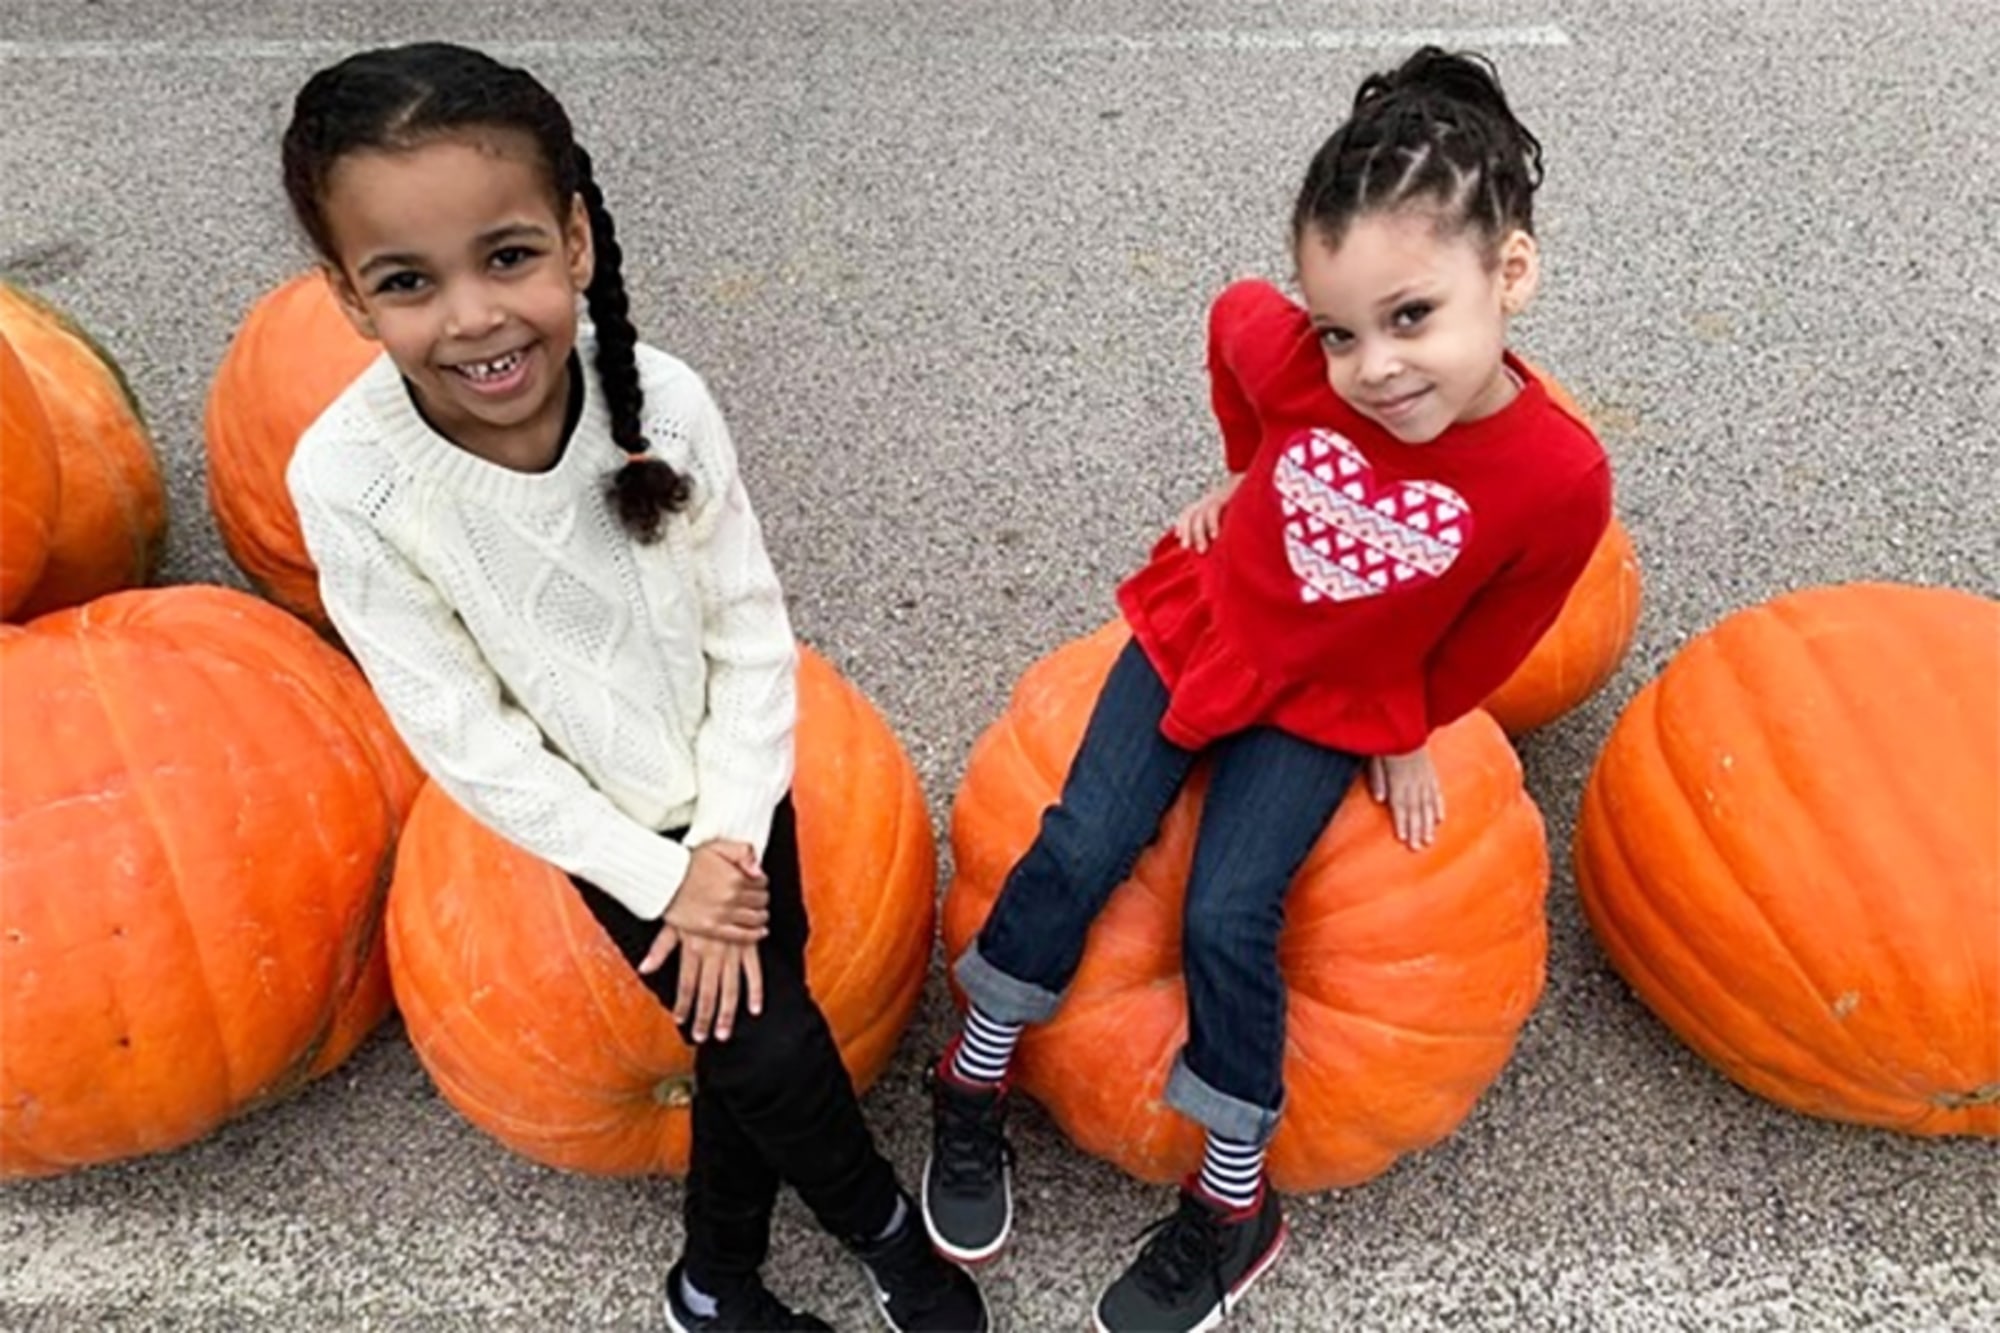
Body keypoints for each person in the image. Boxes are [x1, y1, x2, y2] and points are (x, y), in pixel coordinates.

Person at [280, 41, 987, 1333]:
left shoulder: (666, 404)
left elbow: (750, 633)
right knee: (769, 1040)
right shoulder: (351, 482)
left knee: (742, 1049)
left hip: (734, 783)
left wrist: (726, 833)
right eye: (407, 281)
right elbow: (460, 728)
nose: (475, 314)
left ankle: (712, 1284)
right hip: (603, 826)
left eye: (508, 255)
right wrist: (667, 879)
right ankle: (889, 1233)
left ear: (577, 240)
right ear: (348, 297)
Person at [921, 45, 1612, 1333]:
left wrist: (1408, 717)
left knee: (1230, 921)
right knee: (1078, 845)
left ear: (1509, 272)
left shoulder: (1556, 478)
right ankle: (971, 1080)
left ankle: (1234, 1206)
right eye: (1343, 331)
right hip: (1206, 632)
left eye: (1413, 318)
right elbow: (1236, 337)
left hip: (1330, 698)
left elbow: (1504, 630)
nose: (1376, 367)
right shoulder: (1290, 351)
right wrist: (1252, 472)